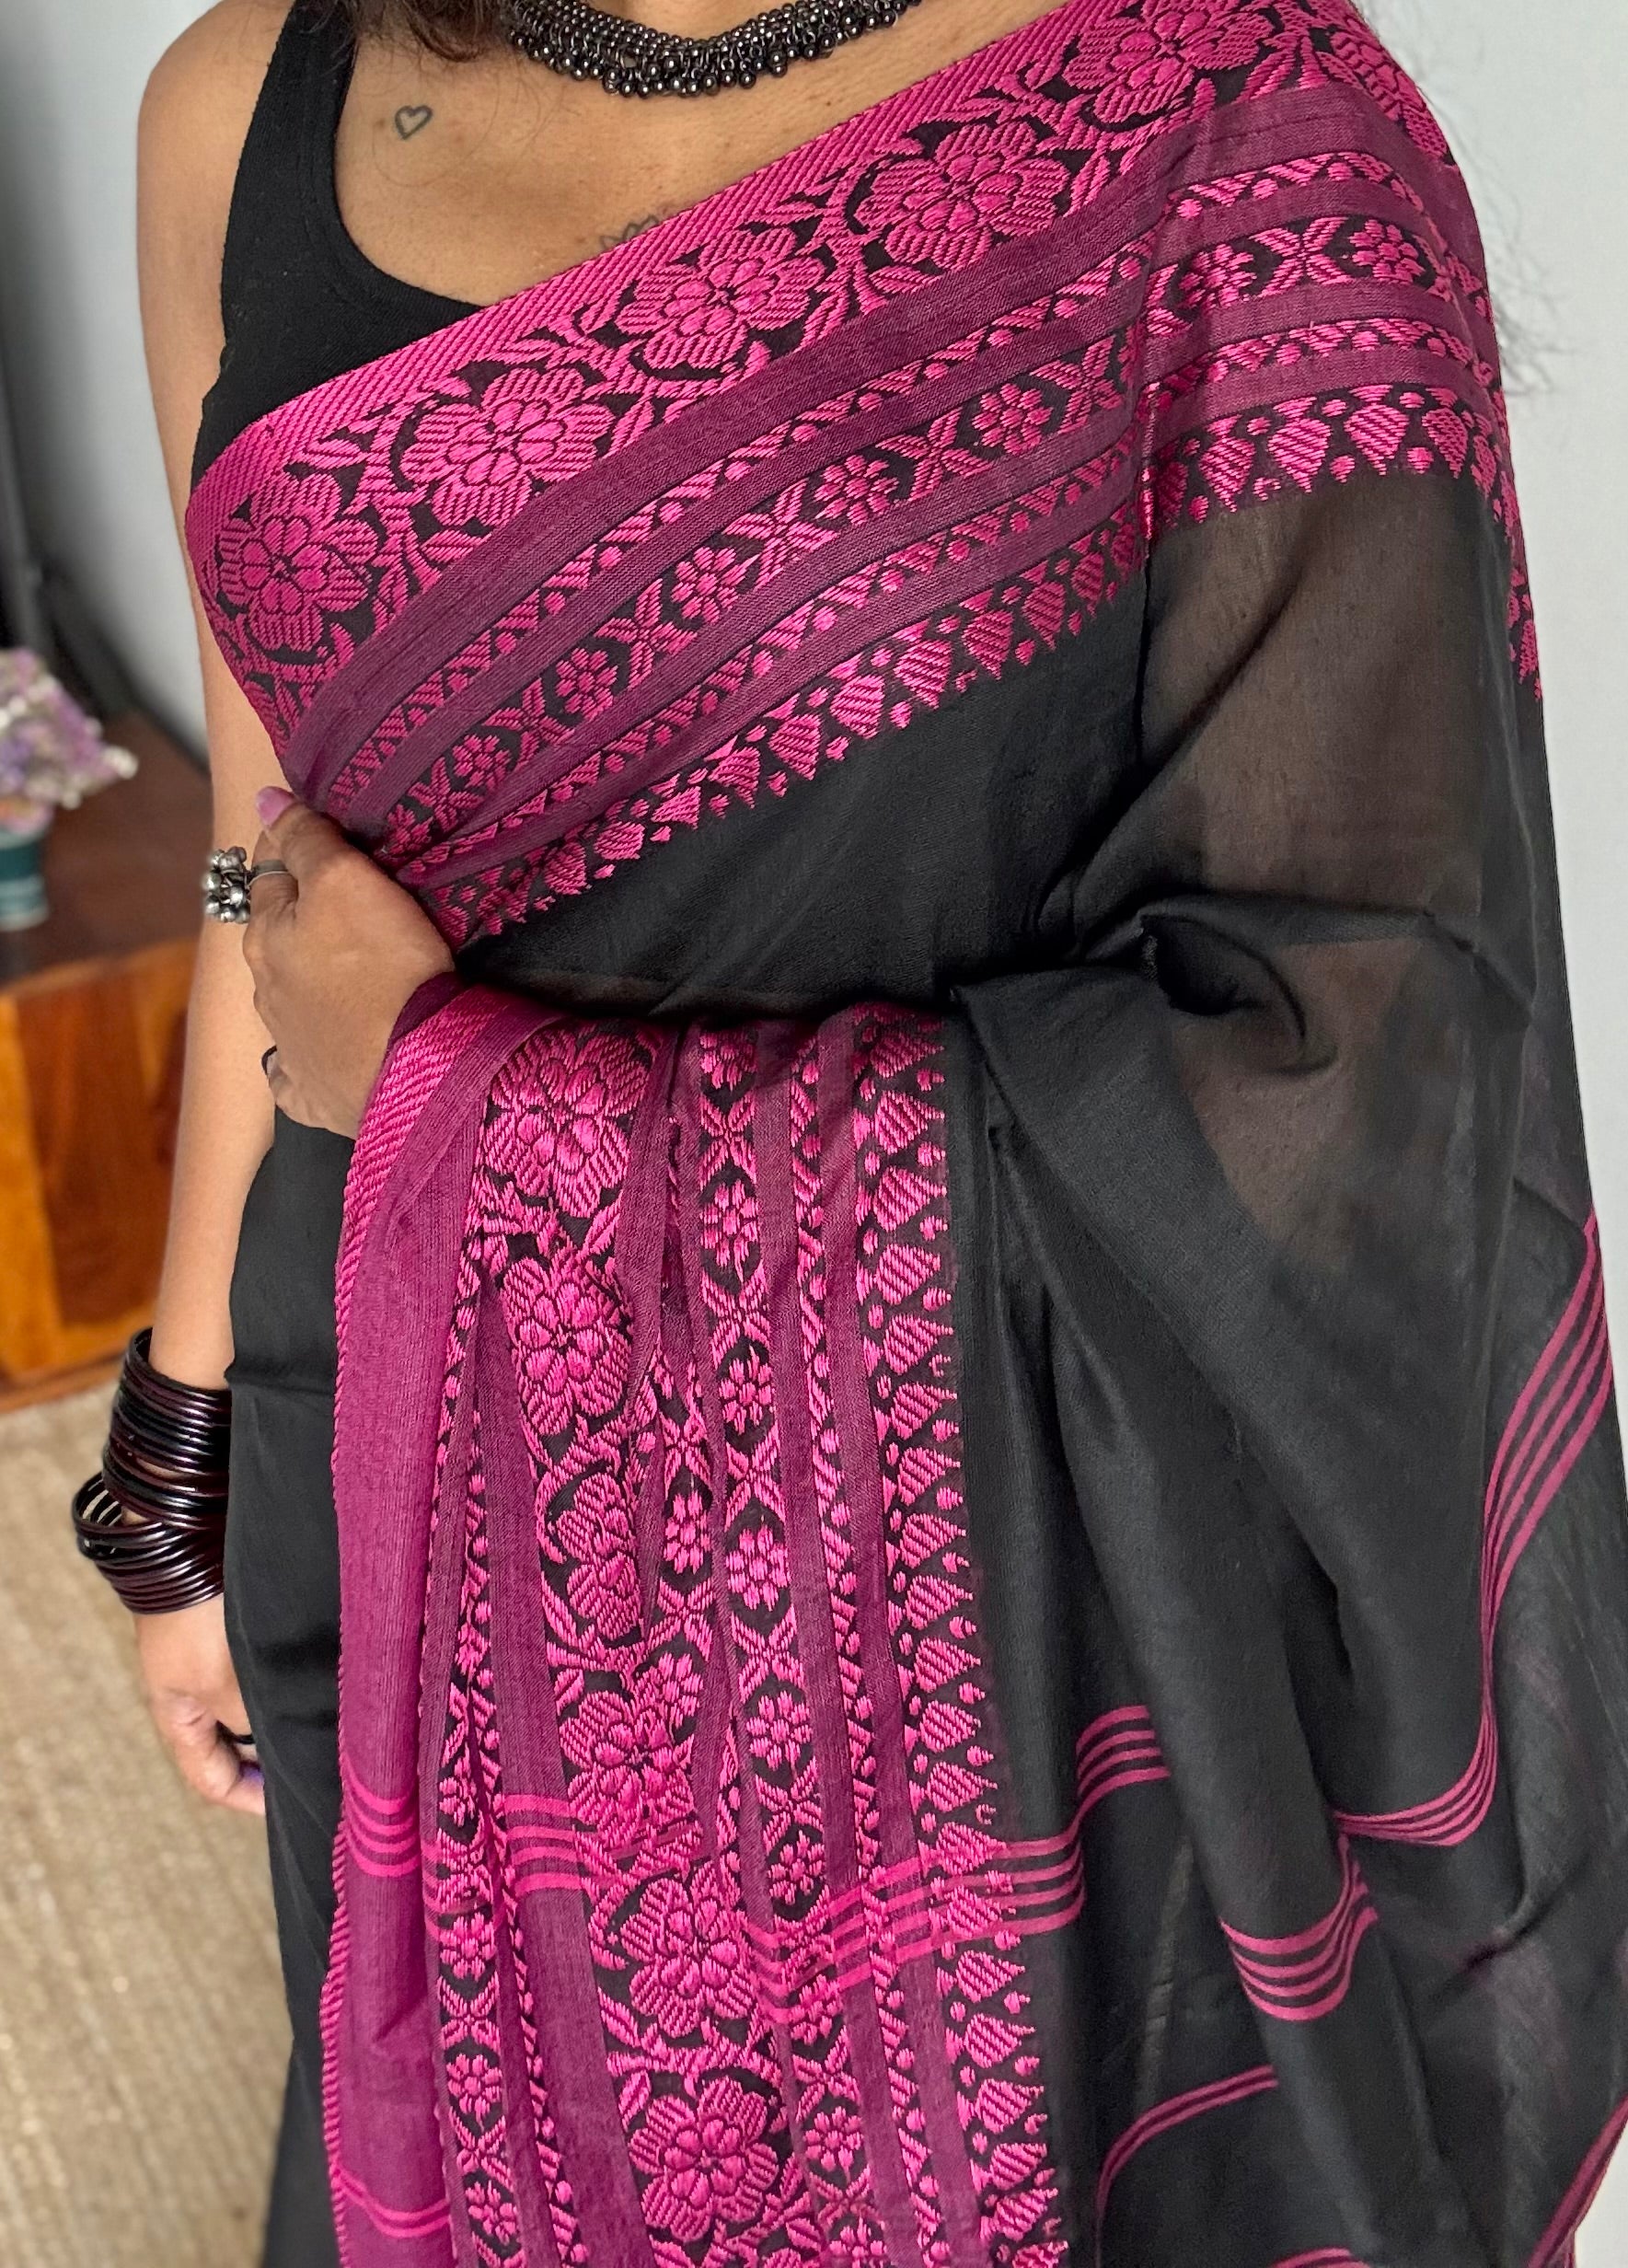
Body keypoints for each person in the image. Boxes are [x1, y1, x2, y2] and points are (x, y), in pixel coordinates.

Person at [100, 0, 1628, 2261]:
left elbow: (1354, 1075)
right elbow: (276, 857)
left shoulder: (1230, 123)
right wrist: (184, 1429)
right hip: (404, 1460)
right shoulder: (240, 108)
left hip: (994, 1599)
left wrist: (469, 1090)